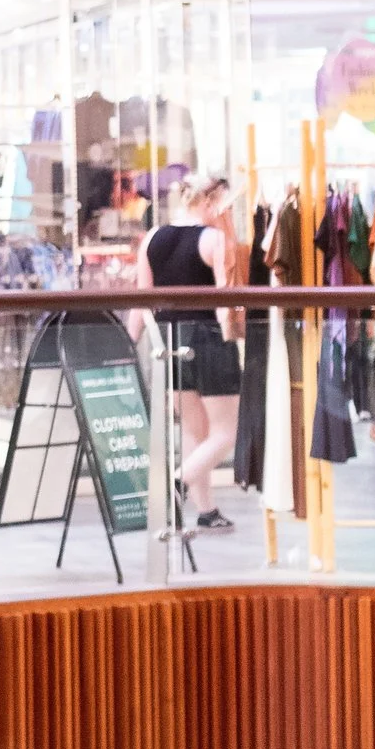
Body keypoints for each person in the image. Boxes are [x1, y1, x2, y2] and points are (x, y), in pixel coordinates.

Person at [137, 173, 242, 531]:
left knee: (194, 432)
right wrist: (234, 339)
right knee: (226, 431)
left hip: (168, 340)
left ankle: (207, 510)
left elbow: (141, 298)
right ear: (211, 202)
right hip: (208, 338)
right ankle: (177, 484)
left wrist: (128, 343)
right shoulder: (214, 239)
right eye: (225, 204)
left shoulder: (153, 237)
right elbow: (224, 300)